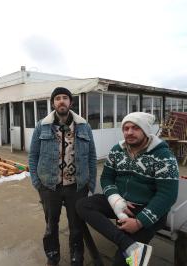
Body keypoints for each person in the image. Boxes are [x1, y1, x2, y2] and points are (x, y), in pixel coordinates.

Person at [76, 112, 179, 266]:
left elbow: (167, 195)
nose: (129, 132)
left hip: (146, 209)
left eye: (135, 128)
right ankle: (127, 244)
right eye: (126, 128)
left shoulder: (163, 155)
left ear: (145, 131)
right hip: (120, 202)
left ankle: (129, 248)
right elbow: (106, 178)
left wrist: (139, 222)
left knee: (121, 262)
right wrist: (116, 200)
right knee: (82, 204)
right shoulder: (117, 150)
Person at [28, 87, 97, 266]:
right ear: (53, 103)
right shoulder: (41, 126)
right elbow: (33, 155)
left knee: (77, 225)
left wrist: (90, 184)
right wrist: (37, 182)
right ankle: (53, 255)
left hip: (76, 186)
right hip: (50, 186)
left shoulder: (84, 126)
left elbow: (91, 156)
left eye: (65, 98)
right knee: (51, 225)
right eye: (57, 98)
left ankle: (77, 257)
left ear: (70, 103)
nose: (61, 101)